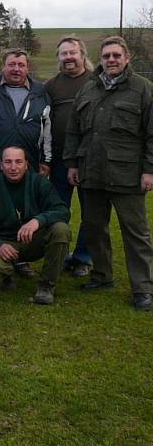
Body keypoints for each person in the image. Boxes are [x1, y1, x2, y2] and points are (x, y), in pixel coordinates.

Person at [64, 35, 153, 311]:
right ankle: (102, 275)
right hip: (91, 172)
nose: (111, 60)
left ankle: (143, 288)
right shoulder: (89, 88)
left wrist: (149, 170)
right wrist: (72, 163)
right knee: (94, 228)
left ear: (127, 58)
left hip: (127, 174)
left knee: (135, 234)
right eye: (106, 56)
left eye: (116, 55)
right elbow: (74, 129)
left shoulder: (142, 89)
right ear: (100, 59)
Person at [0, 48, 51, 278]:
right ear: (3, 66)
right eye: (12, 64)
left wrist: (46, 160)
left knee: (24, 213)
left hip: (26, 168)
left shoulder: (41, 92)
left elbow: (47, 129)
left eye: (21, 64)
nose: (16, 69)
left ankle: (20, 259)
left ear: (27, 67)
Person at [0, 147, 70, 304]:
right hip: (5, 242)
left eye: (18, 162)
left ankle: (46, 286)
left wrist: (38, 220)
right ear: (1, 165)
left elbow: (62, 211)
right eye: (8, 162)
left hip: (33, 240)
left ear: (26, 164)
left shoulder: (39, 183)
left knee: (61, 229)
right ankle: (7, 275)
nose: (13, 167)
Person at [44, 36, 93, 278]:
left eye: (73, 52)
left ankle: (83, 257)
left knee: (91, 213)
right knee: (59, 211)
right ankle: (59, 255)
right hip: (60, 161)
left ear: (83, 54)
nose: (68, 57)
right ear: (58, 58)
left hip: (90, 161)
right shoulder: (51, 86)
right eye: (63, 54)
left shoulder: (96, 82)